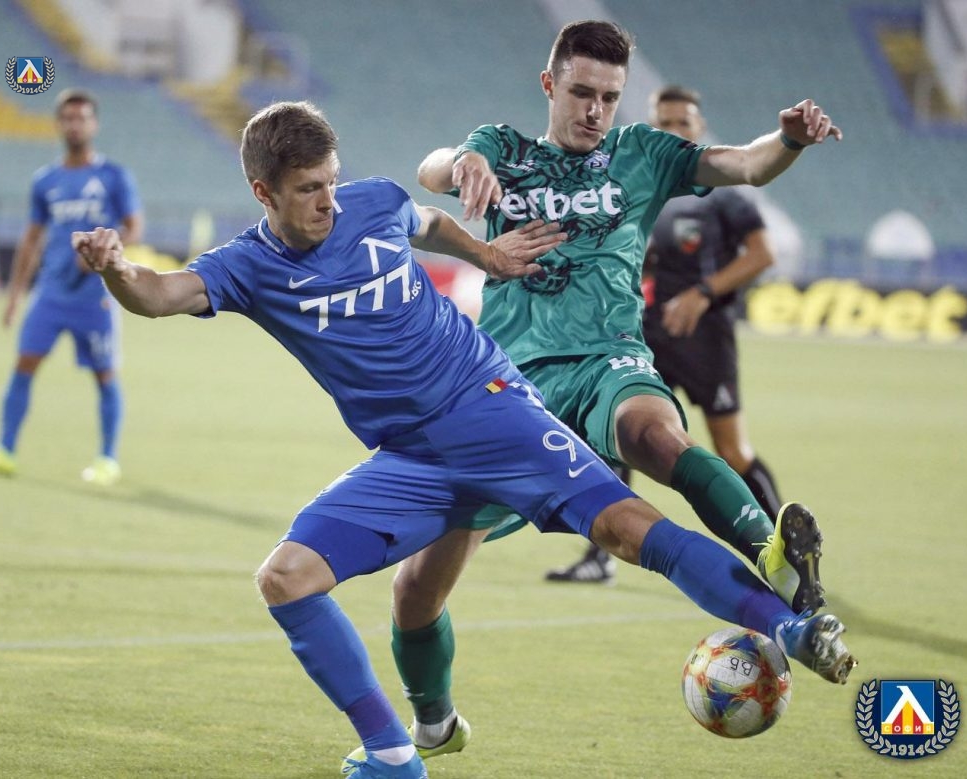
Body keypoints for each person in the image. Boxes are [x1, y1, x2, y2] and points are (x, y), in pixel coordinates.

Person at [74, 100, 853, 779]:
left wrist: (486, 255)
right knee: (294, 579)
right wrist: (114, 269)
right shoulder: (248, 266)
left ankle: (791, 625)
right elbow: (160, 293)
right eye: (309, 189)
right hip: (411, 458)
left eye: (332, 181)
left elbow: (427, 221)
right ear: (263, 192)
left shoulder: (372, 202)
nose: (328, 201)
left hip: (491, 409)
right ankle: (398, 750)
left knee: (624, 524)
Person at [360, 20, 850, 766]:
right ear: (550, 84)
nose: (595, 110)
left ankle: (772, 554)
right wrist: (463, 162)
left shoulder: (643, 153)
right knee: (416, 591)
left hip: (607, 358)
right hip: (505, 391)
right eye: (582, 92)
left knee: (652, 433)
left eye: (610, 97)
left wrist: (789, 140)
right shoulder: (503, 149)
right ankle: (432, 723)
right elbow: (431, 171)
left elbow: (746, 165)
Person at [547, 84, 787, 583]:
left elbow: (763, 255)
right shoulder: (636, 191)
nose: (675, 131)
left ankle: (782, 553)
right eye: (665, 123)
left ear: (700, 128)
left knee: (731, 452)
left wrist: (702, 292)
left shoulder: (724, 198)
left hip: (706, 338)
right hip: (645, 335)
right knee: (614, 440)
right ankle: (599, 557)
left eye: (684, 123)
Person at [0, 88, 143, 486]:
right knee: (24, 365)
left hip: (95, 296)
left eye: (82, 118)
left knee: (105, 375)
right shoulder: (45, 181)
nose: (75, 125)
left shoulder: (114, 177)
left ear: (94, 124)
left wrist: (105, 247)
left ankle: (107, 459)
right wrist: (15, 296)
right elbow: (32, 238)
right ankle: (4, 450)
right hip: (50, 294)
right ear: (59, 124)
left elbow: (134, 227)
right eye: (68, 118)